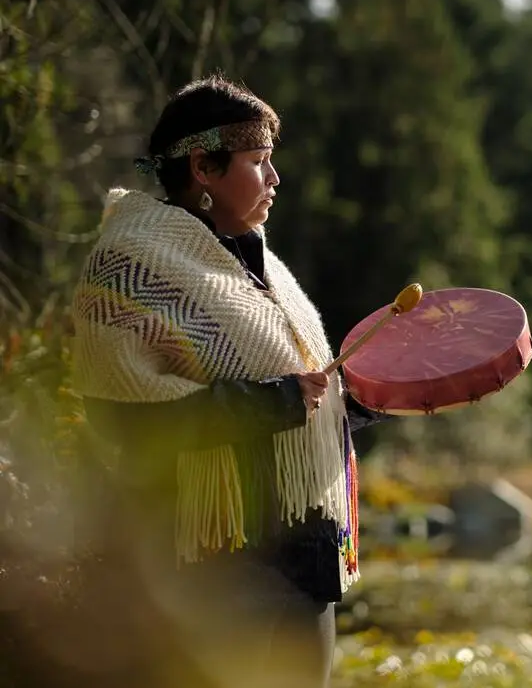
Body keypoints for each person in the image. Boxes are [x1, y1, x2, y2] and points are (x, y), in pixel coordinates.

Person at [70, 75, 388, 688]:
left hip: (304, 558)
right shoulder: (130, 264)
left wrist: (367, 399)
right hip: (214, 570)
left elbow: (304, 392)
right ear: (204, 167)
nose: (275, 179)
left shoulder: (255, 258)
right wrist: (276, 402)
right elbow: (124, 416)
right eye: (259, 162)